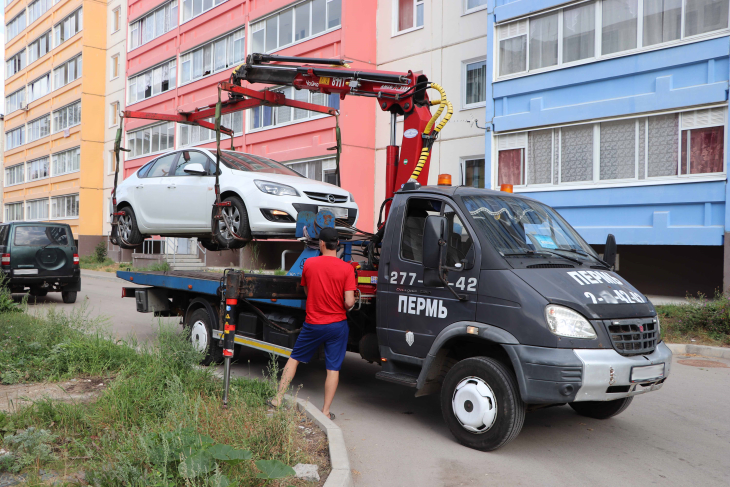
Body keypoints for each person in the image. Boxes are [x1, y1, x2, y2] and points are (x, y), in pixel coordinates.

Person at [269, 227, 356, 419]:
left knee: (295, 358)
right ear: (338, 244)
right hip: (336, 325)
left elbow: (308, 292)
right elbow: (349, 302)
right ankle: (325, 411)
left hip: (313, 323)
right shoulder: (347, 268)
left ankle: (277, 398)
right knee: (333, 368)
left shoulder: (309, 264)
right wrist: (348, 303)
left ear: (321, 244)